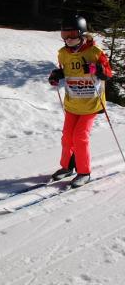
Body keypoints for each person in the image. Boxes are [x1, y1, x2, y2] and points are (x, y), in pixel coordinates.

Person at [48, 15, 112, 187]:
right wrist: (56, 75)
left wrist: (94, 68)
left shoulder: (94, 52)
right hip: (72, 103)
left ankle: (84, 172)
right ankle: (68, 167)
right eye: (64, 35)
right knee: (67, 137)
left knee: (79, 137)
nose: (68, 39)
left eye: (73, 34)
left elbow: (108, 73)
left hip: (91, 104)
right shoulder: (63, 54)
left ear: (82, 34)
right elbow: (65, 71)